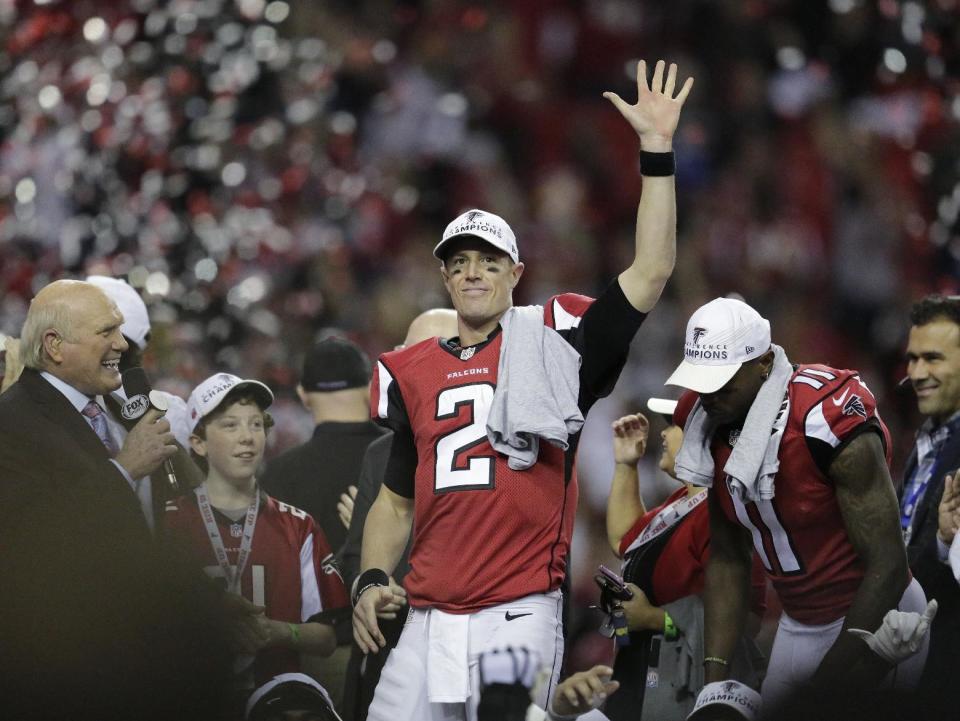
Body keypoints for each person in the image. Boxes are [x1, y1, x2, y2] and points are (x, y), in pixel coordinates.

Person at [353, 59, 694, 721]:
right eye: (459, 262)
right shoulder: (413, 366)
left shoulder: (555, 341)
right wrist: (371, 576)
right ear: (445, 278)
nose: (472, 272)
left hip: (516, 610)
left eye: (488, 261)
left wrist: (656, 150)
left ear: (516, 272)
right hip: (425, 614)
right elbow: (395, 501)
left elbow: (650, 272)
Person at [663, 296, 928, 717]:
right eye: (702, 378)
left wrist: (821, 692)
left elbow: (888, 563)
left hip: (879, 618)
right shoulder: (705, 420)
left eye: (722, 378)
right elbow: (729, 555)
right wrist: (713, 680)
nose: (708, 393)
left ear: (763, 363)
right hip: (798, 624)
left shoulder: (824, 418)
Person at [0, 279, 228, 721]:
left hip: (145, 662)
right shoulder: (12, 423)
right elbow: (31, 542)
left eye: (120, 331)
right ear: (55, 345)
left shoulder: (120, 407)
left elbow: (152, 529)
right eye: (106, 332)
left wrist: (201, 594)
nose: (122, 345)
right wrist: (123, 469)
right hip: (63, 672)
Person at [164, 372, 350, 704]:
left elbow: (326, 638)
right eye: (230, 425)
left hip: (277, 706)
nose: (247, 437)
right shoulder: (168, 524)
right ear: (198, 443)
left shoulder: (299, 525)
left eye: (255, 425)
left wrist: (278, 632)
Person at [602, 399, 765, 720]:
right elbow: (626, 539)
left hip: (682, 687)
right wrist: (625, 465)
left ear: (701, 438)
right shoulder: (683, 503)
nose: (663, 434)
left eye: (674, 425)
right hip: (646, 670)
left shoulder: (721, 515)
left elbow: (746, 621)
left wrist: (655, 619)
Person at [340, 308, 459, 721]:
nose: (410, 362)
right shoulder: (382, 452)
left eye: (427, 352)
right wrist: (369, 588)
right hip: (393, 645)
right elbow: (355, 558)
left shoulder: (505, 448)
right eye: (407, 351)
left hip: (469, 643)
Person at [259, 335, 388, 707]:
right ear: (368, 388)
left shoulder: (279, 474)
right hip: (400, 643)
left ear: (303, 394)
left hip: (319, 653)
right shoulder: (399, 457)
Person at [900, 294, 960, 712]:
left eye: (933, 358)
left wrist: (945, 544)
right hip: (912, 659)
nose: (917, 373)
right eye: (913, 359)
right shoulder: (928, 437)